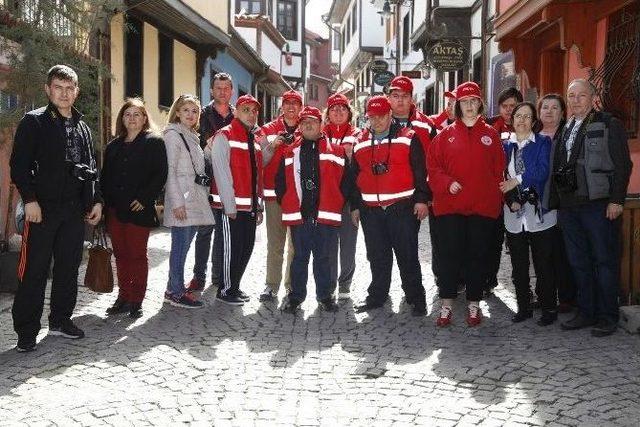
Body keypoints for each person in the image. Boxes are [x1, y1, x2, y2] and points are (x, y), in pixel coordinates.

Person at [10, 65, 103, 352]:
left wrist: (96, 201)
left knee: (67, 268)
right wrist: (30, 200)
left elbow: (91, 167)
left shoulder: (82, 126)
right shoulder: (34, 121)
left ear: (76, 92)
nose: (64, 93)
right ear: (49, 90)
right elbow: (19, 166)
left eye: (69, 88)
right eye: (58, 87)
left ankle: (61, 320)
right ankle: (27, 331)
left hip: (74, 212)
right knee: (34, 270)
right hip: (42, 210)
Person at [549, 79, 632, 337]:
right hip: (570, 208)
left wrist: (616, 200)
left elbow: (623, 165)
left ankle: (608, 316)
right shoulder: (565, 128)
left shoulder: (609, 124)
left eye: (581, 95)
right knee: (579, 262)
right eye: (571, 95)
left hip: (598, 206)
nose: (575, 100)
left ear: (593, 97)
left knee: (604, 261)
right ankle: (586, 312)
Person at [428, 81, 504, 327]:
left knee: (477, 257)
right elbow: (433, 169)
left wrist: (493, 202)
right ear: (457, 106)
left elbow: (498, 171)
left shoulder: (491, 135)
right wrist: (447, 182)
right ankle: (447, 304)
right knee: (449, 256)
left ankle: (474, 304)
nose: (469, 106)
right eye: (464, 102)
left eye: (474, 101)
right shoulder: (444, 136)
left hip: (481, 208)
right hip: (451, 208)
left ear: (480, 104)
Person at [350, 96, 429, 317]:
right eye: (372, 117)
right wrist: (356, 206)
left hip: (401, 208)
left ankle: (416, 298)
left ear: (390, 114)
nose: (376, 121)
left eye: (381, 116)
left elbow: (421, 171)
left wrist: (422, 199)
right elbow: (353, 176)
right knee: (377, 256)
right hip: (371, 211)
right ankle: (377, 296)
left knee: (408, 256)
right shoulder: (360, 140)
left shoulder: (408, 137)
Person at [276, 106, 353, 313]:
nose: (308, 125)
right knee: (299, 258)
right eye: (304, 122)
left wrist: (337, 202)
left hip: (326, 215)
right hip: (300, 216)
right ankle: (295, 297)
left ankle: (325, 296)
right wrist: (289, 203)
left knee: (324, 258)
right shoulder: (289, 151)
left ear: (321, 124)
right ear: (299, 126)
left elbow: (347, 182)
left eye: (312, 121)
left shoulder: (336, 152)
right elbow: (280, 183)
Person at [101, 98, 167, 319]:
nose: (132, 118)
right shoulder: (113, 146)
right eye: (127, 114)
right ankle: (123, 296)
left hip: (138, 209)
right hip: (115, 209)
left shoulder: (154, 142)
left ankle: (136, 301)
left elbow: (160, 174)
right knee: (120, 255)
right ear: (122, 119)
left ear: (144, 118)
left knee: (137, 255)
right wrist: (102, 204)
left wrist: (145, 198)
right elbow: (105, 178)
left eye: (136, 114)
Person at [500, 102, 557, 326]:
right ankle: (523, 307)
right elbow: (498, 176)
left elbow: (542, 172)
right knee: (519, 266)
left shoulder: (543, 142)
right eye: (518, 116)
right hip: (514, 214)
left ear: (534, 121)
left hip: (539, 213)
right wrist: (510, 197)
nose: (522, 120)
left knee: (544, 264)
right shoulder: (504, 146)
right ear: (512, 120)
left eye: (527, 116)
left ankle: (549, 308)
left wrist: (518, 180)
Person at [209, 94, 265, 305]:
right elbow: (222, 173)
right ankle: (225, 290)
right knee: (231, 249)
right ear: (235, 111)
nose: (251, 114)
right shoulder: (225, 135)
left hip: (249, 207)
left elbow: (257, 176)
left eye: (254, 111)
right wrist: (229, 206)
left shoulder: (254, 139)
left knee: (246, 247)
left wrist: (258, 207)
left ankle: (235, 285)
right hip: (230, 208)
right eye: (246, 110)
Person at [163, 94, 215, 308]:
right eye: (186, 110)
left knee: (184, 247)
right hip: (182, 201)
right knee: (179, 247)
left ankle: (173, 288)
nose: (191, 114)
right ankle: (175, 292)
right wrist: (177, 203)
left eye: (195, 111)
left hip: (193, 198)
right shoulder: (173, 135)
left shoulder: (192, 136)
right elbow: (170, 172)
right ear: (177, 112)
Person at [187, 72, 235, 293]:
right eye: (218, 88)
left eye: (226, 88)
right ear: (211, 90)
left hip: (229, 181)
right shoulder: (202, 115)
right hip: (206, 180)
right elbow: (202, 145)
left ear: (231, 91)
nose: (222, 92)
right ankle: (199, 276)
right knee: (205, 231)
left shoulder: (238, 116)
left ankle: (218, 275)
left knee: (224, 233)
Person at [259, 90, 303, 301]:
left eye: (296, 103)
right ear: (281, 106)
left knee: (295, 244)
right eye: (288, 103)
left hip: (297, 196)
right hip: (273, 195)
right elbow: (259, 161)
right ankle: (271, 284)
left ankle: (291, 284)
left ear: (301, 107)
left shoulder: (306, 128)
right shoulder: (268, 129)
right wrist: (272, 145)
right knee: (275, 243)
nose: (291, 107)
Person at [538, 93, 576, 313]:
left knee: (563, 252)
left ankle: (567, 297)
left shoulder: (567, 136)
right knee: (542, 253)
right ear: (539, 112)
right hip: (538, 204)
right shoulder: (532, 136)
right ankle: (544, 295)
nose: (549, 112)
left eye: (555, 108)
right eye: (545, 108)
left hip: (563, 203)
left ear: (562, 113)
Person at [484, 87, 524, 296]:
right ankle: (488, 280)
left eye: (513, 106)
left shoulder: (529, 125)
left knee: (519, 243)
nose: (509, 110)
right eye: (505, 106)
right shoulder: (488, 126)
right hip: (494, 195)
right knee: (492, 241)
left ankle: (522, 286)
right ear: (498, 107)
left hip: (520, 193)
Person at [323, 93, 360, 299]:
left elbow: (359, 172)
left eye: (342, 108)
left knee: (348, 243)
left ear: (349, 113)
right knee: (327, 245)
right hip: (326, 199)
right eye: (334, 109)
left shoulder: (358, 135)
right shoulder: (319, 134)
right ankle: (328, 284)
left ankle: (345, 283)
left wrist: (356, 203)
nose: (338, 112)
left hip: (348, 199)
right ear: (328, 114)